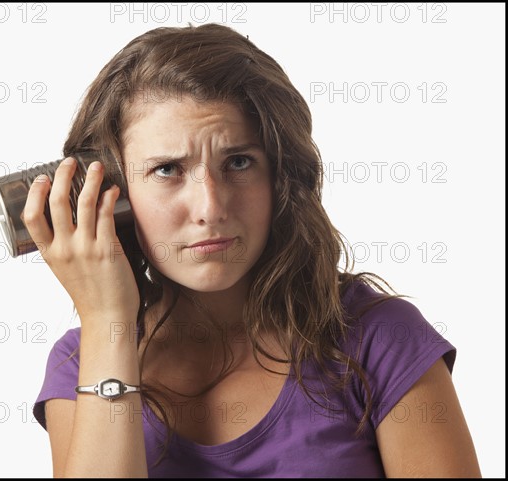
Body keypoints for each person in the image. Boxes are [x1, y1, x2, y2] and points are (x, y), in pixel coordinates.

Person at [24, 23, 481, 477]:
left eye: (238, 162)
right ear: (109, 192)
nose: (210, 208)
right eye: (167, 170)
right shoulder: (81, 365)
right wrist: (108, 325)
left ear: (281, 179)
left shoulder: (381, 338)